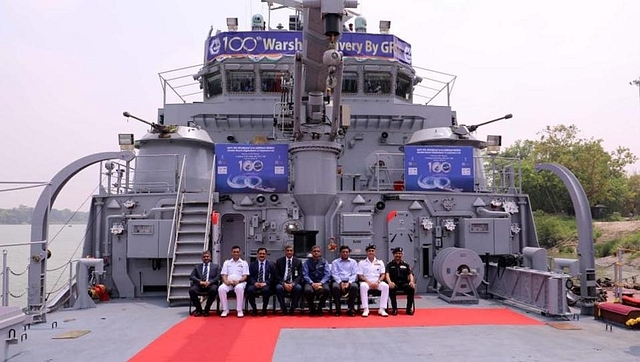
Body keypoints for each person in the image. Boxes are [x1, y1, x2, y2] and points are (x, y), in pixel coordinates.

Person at [357, 244, 389, 317]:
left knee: (385, 286)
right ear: (366, 252)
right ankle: (366, 309)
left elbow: (383, 274)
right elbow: (360, 275)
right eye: (369, 251)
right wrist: (369, 282)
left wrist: (378, 282)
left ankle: (382, 309)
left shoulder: (380, 262)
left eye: (372, 251)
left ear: (375, 252)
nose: (371, 252)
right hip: (366, 282)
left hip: (377, 282)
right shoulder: (362, 263)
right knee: (363, 286)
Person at [218, 245, 250, 318]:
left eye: (237, 252)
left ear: (240, 253)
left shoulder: (244, 263)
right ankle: (225, 310)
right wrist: (225, 281)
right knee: (221, 288)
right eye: (234, 252)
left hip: (240, 282)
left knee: (239, 288)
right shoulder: (227, 262)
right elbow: (224, 274)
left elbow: (245, 276)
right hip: (229, 283)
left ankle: (239, 310)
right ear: (231, 253)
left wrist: (239, 281)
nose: (236, 253)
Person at [188, 250, 220, 317]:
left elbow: (218, 276)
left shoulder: (216, 266)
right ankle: (198, 309)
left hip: (210, 285)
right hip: (200, 285)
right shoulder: (197, 267)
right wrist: (199, 281)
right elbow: (191, 276)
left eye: (207, 257)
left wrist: (210, 282)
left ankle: (206, 309)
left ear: (210, 257)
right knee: (191, 290)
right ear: (202, 258)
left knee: (214, 290)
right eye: (204, 257)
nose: (206, 258)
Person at [386, 247, 416, 315]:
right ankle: (394, 309)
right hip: (394, 283)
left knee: (411, 288)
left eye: (400, 253)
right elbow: (387, 274)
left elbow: (410, 274)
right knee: (391, 289)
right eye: (396, 253)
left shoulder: (406, 264)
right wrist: (389, 282)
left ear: (402, 254)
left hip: (403, 283)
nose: (398, 255)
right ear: (393, 254)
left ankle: (408, 309)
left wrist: (411, 282)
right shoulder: (389, 264)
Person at [274, 245, 303, 316]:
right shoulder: (279, 261)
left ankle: (292, 309)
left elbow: (300, 276)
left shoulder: (298, 262)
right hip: (283, 283)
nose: (289, 252)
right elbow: (277, 275)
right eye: (288, 251)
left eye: (291, 251)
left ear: (293, 252)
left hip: (293, 283)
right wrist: (283, 283)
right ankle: (283, 309)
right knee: (278, 288)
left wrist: (293, 284)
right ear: (285, 252)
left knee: (298, 288)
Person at [246, 247, 275, 316]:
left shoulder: (271, 264)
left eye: (263, 254)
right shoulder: (252, 264)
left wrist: (266, 283)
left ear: (266, 255)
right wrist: (255, 283)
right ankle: (254, 309)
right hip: (255, 283)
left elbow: (273, 276)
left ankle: (264, 309)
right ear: (257, 254)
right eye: (260, 254)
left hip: (265, 283)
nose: (262, 255)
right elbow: (249, 276)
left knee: (266, 290)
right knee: (249, 290)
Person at [302, 245, 331, 316]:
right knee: (307, 290)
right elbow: (305, 275)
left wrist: (321, 283)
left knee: (327, 289)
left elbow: (327, 274)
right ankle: (312, 309)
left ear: (320, 252)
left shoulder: (324, 261)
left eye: (318, 251)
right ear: (311, 252)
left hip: (321, 281)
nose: (316, 253)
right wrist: (312, 283)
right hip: (310, 282)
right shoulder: (307, 262)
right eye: (314, 251)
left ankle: (320, 308)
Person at [330, 245, 358, 316]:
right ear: (340, 253)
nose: (345, 253)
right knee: (335, 287)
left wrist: (349, 282)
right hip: (338, 281)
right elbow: (334, 274)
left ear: (349, 253)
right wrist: (340, 282)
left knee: (354, 287)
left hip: (349, 281)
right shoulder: (335, 262)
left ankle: (350, 309)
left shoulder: (353, 262)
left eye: (346, 252)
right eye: (343, 252)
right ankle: (338, 310)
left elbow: (354, 274)